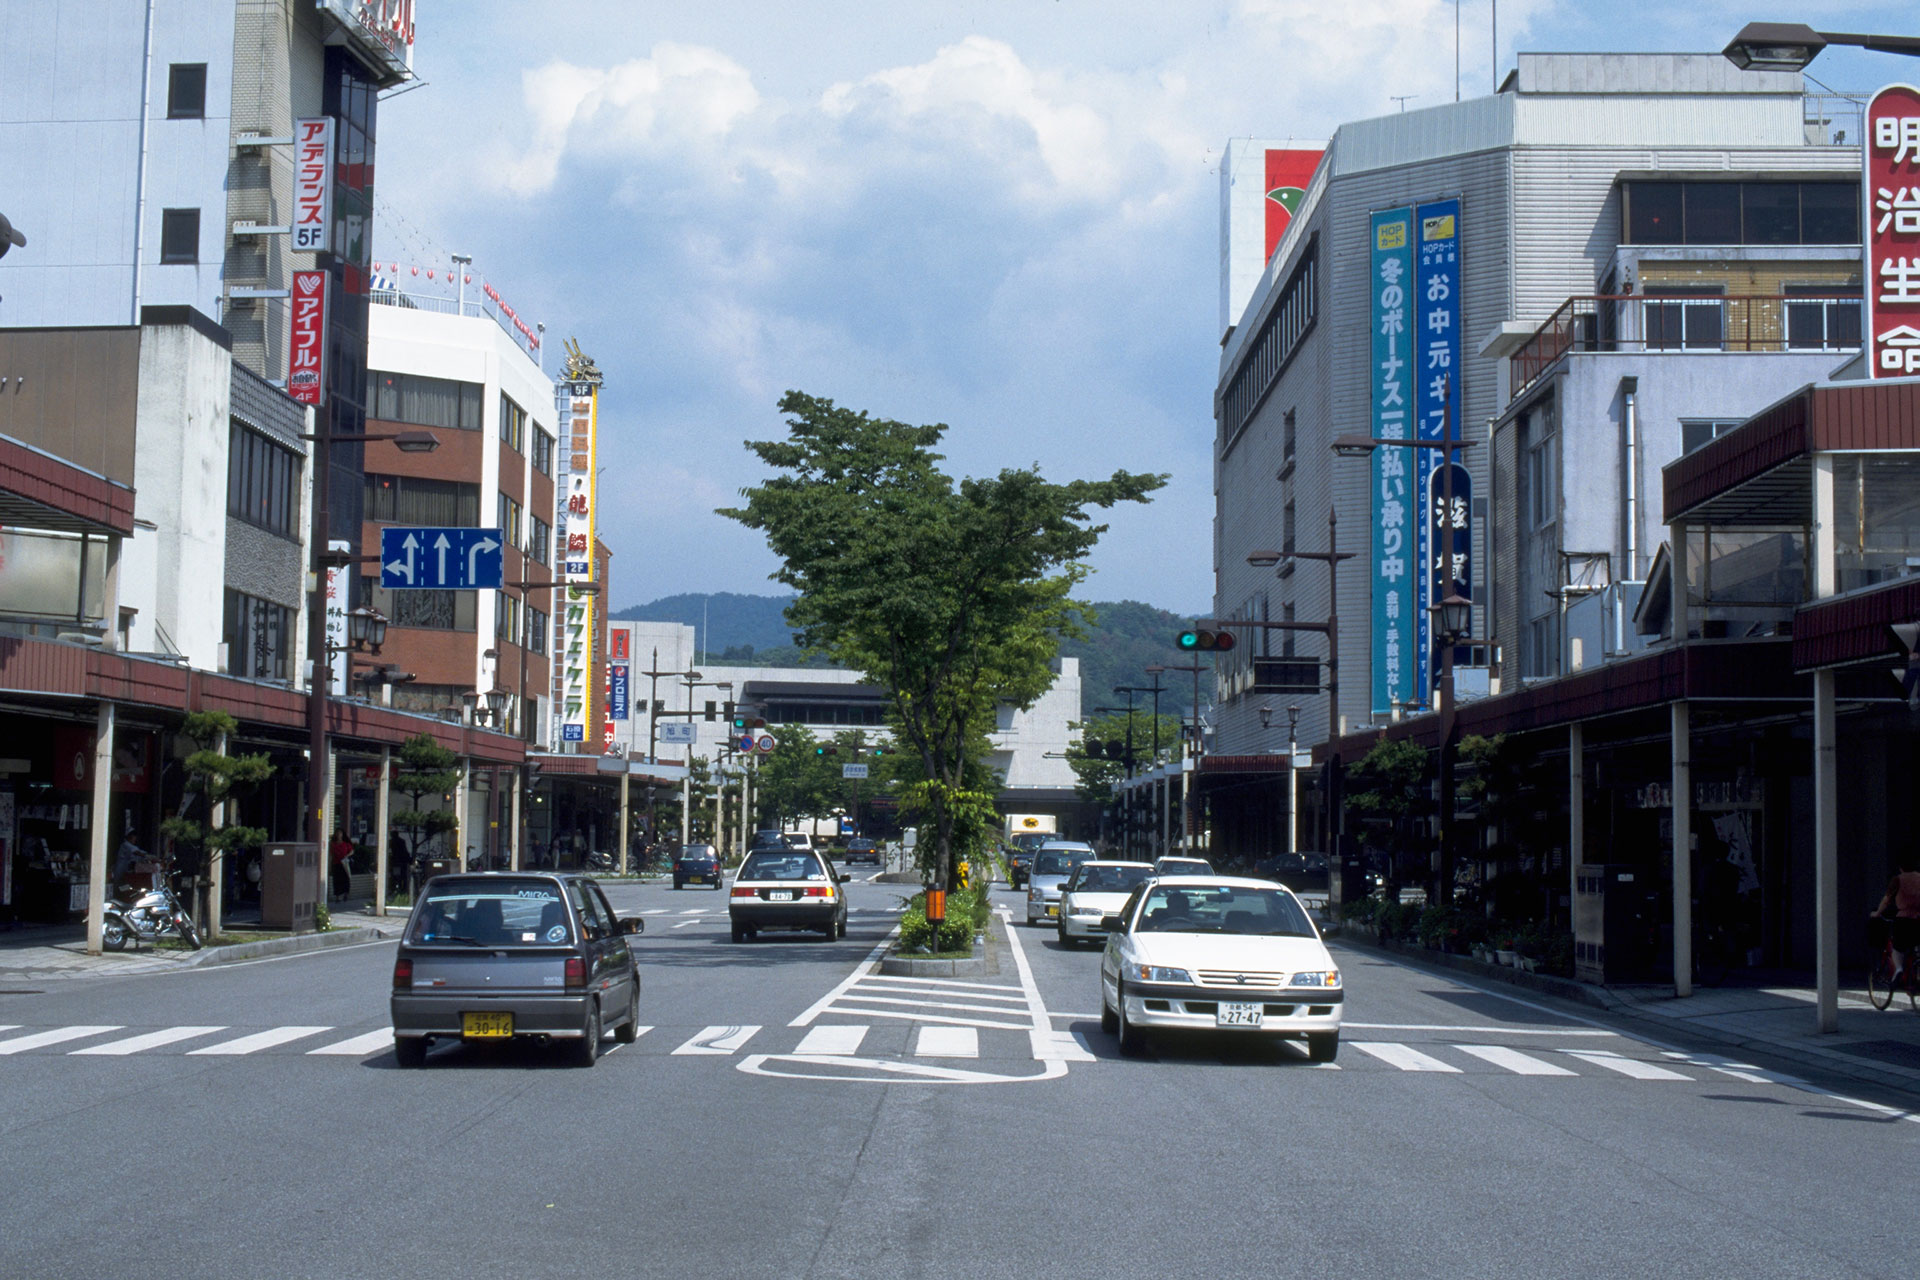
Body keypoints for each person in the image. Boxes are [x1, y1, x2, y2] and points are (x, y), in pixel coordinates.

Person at [1873, 851, 1920, 984]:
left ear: (1901, 867)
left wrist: (1877, 913)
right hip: (1918, 918)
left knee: (1897, 947)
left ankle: (1899, 969)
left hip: (1903, 919)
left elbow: (1887, 900)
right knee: (1917, 947)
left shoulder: (1898, 879)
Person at [328, 830, 354, 900]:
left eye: (340, 834)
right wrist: (329, 866)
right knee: (337, 880)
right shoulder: (333, 844)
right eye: (337, 834)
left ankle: (346, 894)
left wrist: (347, 855)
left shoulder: (346, 844)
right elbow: (331, 855)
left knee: (345, 879)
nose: (339, 835)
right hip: (336, 864)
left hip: (344, 864)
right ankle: (337, 896)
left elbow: (352, 851)